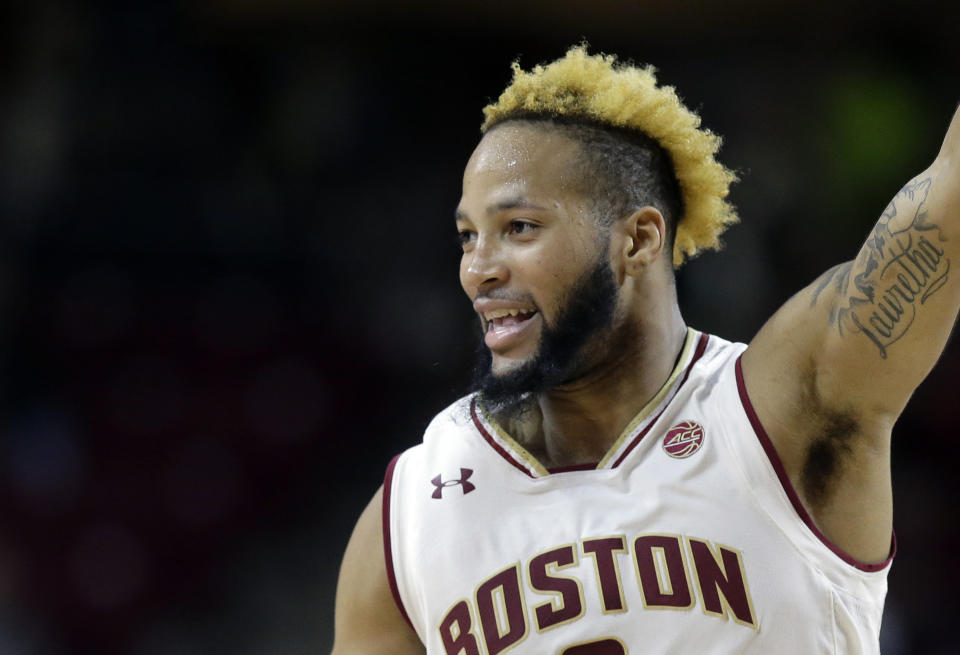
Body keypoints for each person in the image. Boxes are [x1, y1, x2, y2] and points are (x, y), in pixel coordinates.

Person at [331, 46, 959, 654]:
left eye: (518, 228)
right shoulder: (408, 516)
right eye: (469, 237)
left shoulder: (780, 409)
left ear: (638, 240)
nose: (479, 270)